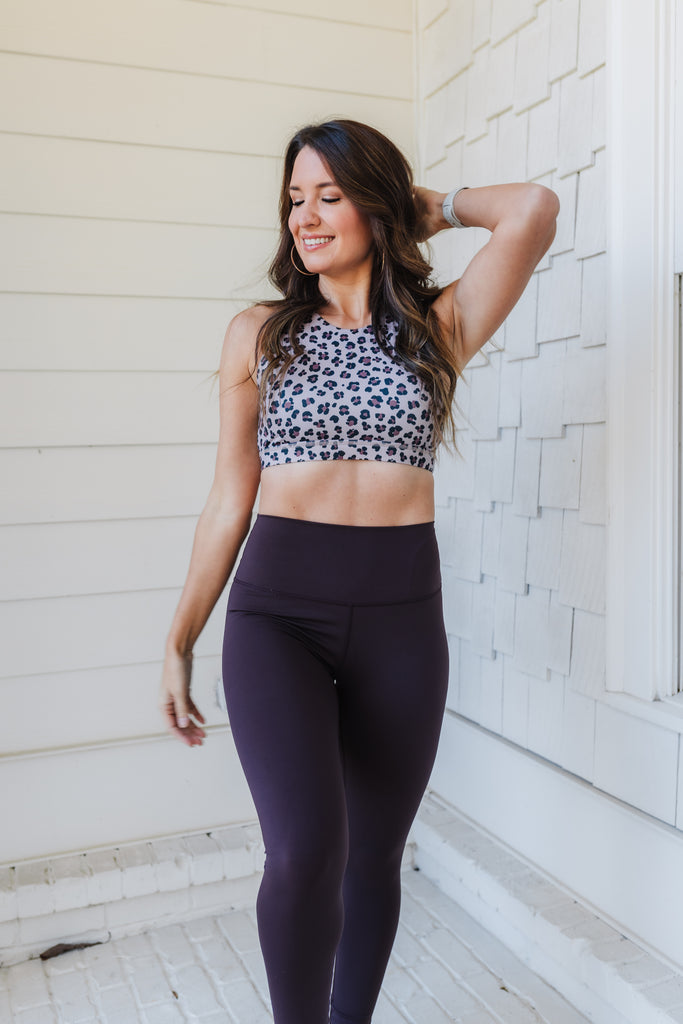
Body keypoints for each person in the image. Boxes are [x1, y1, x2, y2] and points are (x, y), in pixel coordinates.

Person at [159, 119, 559, 1024]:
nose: (304, 217)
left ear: (377, 208)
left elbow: (532, 210)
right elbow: (228, 496)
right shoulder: (259, 333)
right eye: (294, 199)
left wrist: (428, 208)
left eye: (329, 196)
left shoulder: (436, 327)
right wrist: (180, 638)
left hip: (400, 621)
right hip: (278, 618)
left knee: (375, 855)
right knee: (305, 851)